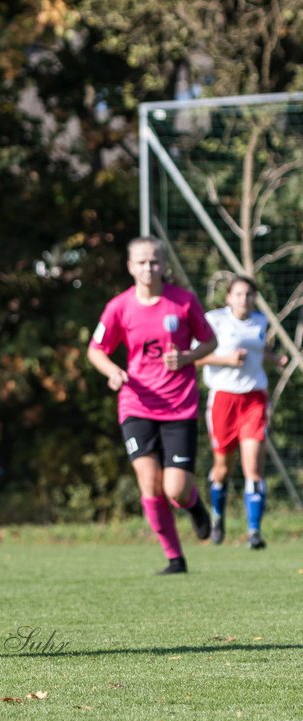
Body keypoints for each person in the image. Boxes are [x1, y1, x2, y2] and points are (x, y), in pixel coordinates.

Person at [87, 236, 218, 575]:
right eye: (142, 262)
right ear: (130, 267)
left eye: (155, 261)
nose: (149, 267)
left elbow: (210, 341)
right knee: (149, 482)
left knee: (175, 489)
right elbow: (96, 350)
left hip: (179, 406)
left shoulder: (184, 302)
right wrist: (112, 370)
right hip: (136, 404)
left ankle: (194, 504)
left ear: (164, 265)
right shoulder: (119, 306)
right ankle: (175, 558)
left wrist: (188, 356)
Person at [195, 274, 288, 549]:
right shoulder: (215, 320)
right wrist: (226, 359)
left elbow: (261, 350)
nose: (244, 299)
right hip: (224, 400)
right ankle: (217, 518)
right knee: (223, 468)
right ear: (228, 297)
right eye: (238, 294)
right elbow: (197, 357)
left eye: (249, 294)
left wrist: (275, 358)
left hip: (254, 400)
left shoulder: (260, 321)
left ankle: (254, 532)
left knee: (254, 468)